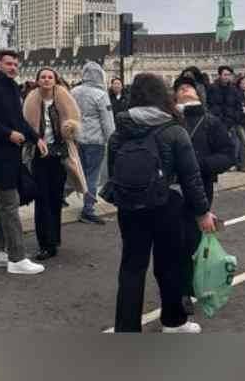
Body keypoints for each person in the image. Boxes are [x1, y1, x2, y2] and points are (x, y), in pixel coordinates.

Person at [108, 73, 216, 333]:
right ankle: (173, 321)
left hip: (130, 206)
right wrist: (202, 211)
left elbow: (113, 171)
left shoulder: (120, 130)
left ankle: (126, 329)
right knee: (169, 265)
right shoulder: (174, 130)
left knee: (132, 268)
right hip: (166, 204)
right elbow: (191, 177)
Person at [0, 50, 47, 275]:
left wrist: (36, 138)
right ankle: (17, 258)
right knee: (10, 203)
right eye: (8, 64)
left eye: (15, 64)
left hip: (10, 155)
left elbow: (19, 120)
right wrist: (8, 134)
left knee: (3, 204)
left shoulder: (13, 88)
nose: (13, 67)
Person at [173, 75, 237, 315]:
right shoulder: (169, 119)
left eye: (189, 87)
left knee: (191, 240)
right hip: (170, 191)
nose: (185, 89)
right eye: (180, 87)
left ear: (199, 94)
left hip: (200, 188)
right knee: (173, 241)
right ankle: (178, 289)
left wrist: (199, 164)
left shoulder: (210, 122)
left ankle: (187, 289)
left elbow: (228, 154)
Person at [23, 67, 86, 260]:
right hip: (39, 154)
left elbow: (76, 120)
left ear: (55, 80)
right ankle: (45, 244)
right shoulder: (32, 99)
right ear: (38, 80)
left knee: (55, 198)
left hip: (60, 154)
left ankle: (54, 238)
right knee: (41, 199)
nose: (46, 80)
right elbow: (25, 124)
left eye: (50, 77)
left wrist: (71, 128)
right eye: (43, 77)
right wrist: (33, 139)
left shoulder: (64, 97)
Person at [71, 61, 115, 225]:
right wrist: (112, 141)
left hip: (77, 138)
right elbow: (107, 121)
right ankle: (88, 209)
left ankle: (60, 197)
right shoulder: (100, 95)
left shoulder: (73, 91)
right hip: (95, 140)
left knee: (76, 173)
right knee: (92, 176)